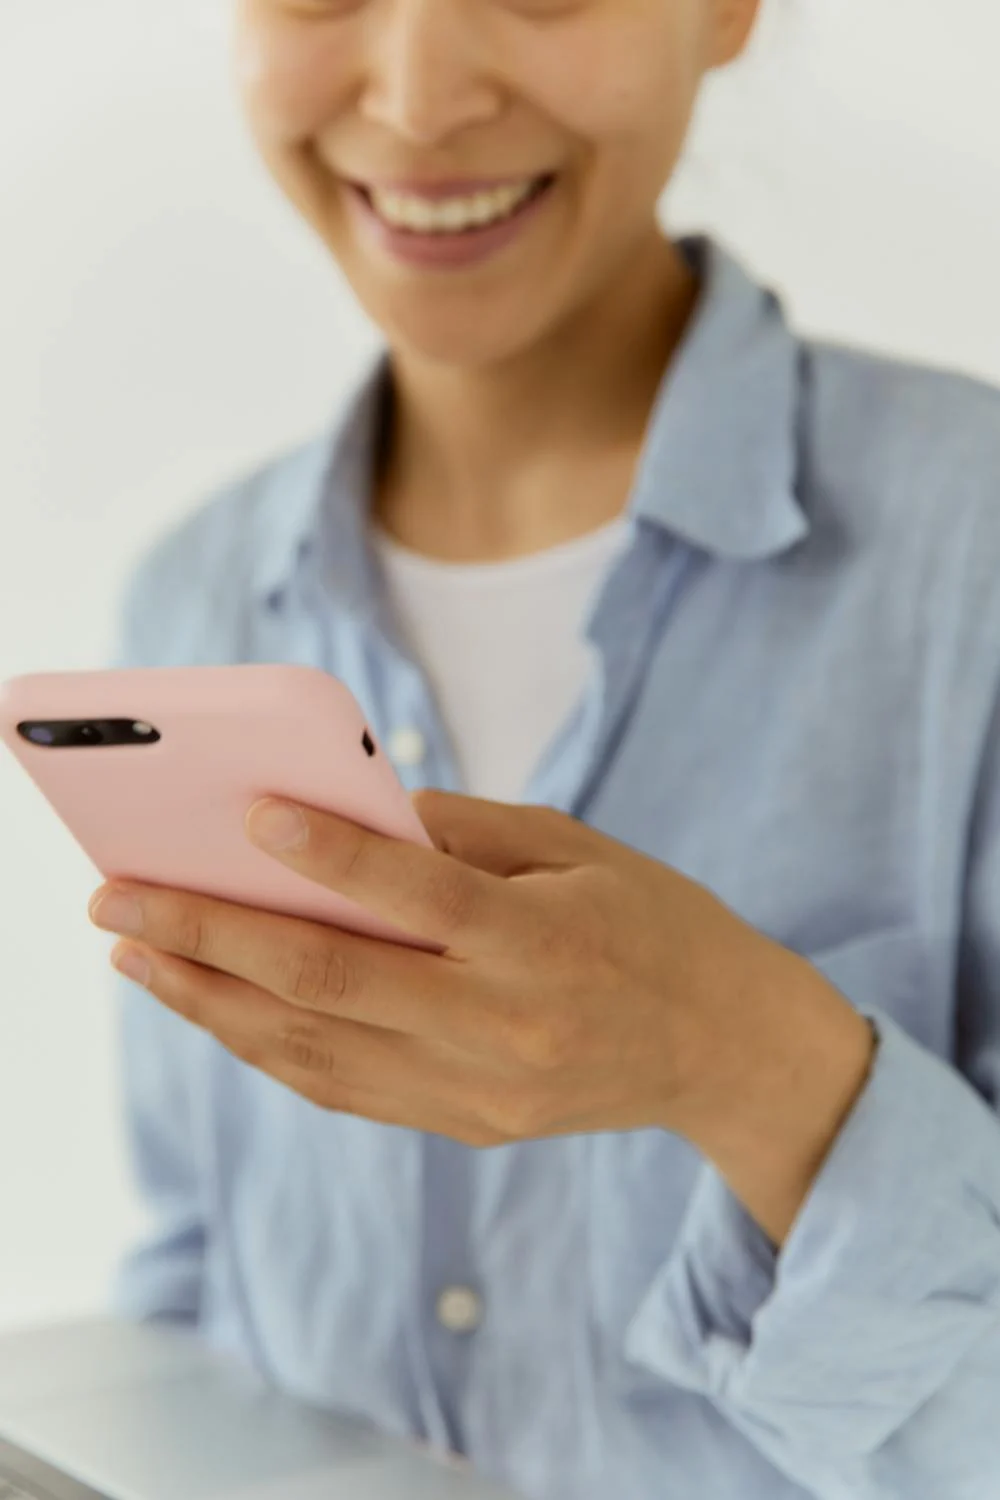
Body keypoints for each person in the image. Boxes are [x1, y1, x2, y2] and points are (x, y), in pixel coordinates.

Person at [88, 1, 1000, 1495]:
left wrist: (745, 1064)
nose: (421, 94)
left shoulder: (973, 559)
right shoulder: (190, 601)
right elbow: (198, 1306)